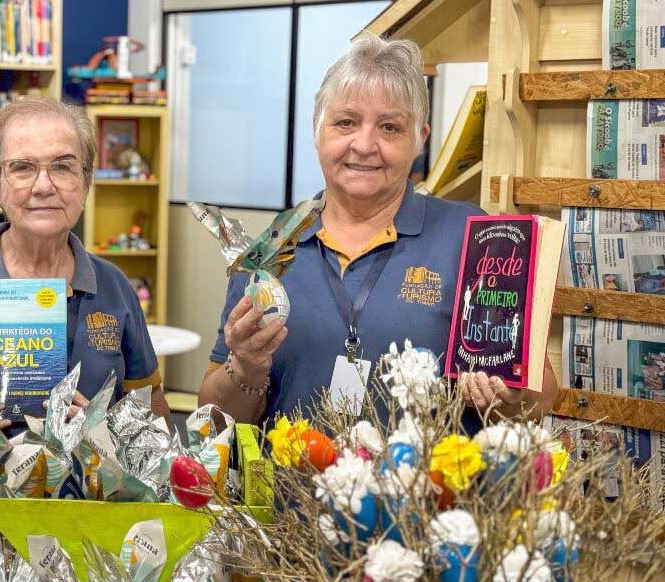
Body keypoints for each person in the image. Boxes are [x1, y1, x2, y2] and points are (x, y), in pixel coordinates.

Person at [198, 33, 558, 431]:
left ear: (419, 139)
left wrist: (507, 397)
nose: (365, 144)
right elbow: (215, 419)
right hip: (289, 490)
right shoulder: (271, 249)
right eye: (346, 122)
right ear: (318, 131)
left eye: (389, 127)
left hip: (427, 492)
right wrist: (245, 368)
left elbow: (541, 399)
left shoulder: (476, 239)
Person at [0, 96, 167, 428]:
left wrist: (105, 433)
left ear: (86, 181)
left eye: (62, 166)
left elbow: (152, 407)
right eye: (22, 168)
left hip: (93, 481)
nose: (43, 186)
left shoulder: (113, 285)